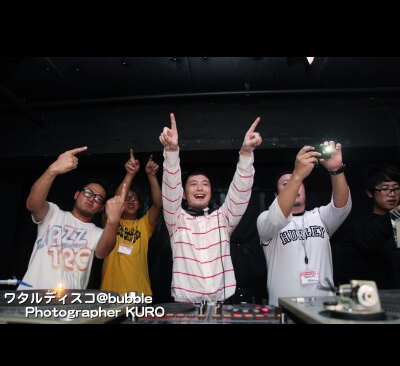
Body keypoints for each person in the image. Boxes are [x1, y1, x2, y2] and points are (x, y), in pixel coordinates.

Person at [159, 113, 262, 304]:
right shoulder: (176, 219)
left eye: (205, 184)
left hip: (223, 307)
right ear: (183, 194)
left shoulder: (223, 218)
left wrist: (246, 154)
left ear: (210, 192)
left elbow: (240, 191)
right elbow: (170, 188)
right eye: (193, 184)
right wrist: (171, 152)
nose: (200, 188)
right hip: (186, 309)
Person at [18, 146, 126, 290]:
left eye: (98, 198)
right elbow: (32, 204)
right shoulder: (54, 214)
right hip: (32, 297)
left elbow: (102, 252)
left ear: (101, 208)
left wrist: (113, 220)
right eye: (88, 192)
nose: (91, 198)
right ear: (76, 195)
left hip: (69, 302)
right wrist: (52, 170)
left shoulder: (97, 233)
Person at [257, 142, 352, 306]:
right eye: (285, 184)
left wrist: (336, 170)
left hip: (323, 308)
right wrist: (297, 176)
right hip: (284, 308)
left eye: (299, 184)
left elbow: (342, 206)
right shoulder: (265, 219)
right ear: (276, 195)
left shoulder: (320, 217)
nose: (294, 187)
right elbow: (276, 218)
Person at [100, 149, 162, 295]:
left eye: (134, 198)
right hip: (111, 293)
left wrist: (152, 176)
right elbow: (117, 200)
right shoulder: (111, 221)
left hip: (140, 292)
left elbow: (158, 205)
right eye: (127, 198)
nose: (130, 201)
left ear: (140, 204)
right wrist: (130, 174)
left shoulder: (144, 225)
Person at [353, 163, 400, 289]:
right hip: (378, 293)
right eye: (384, 188)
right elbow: (367, 241)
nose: (392, 194)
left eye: (396, 188)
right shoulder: (362, 224)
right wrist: (396, 213)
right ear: (370, 192)